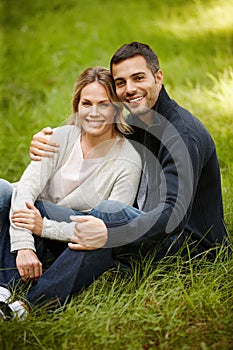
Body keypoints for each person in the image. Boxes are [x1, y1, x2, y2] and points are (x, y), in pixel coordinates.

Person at [1, 42, 231, 318]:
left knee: (107, 215)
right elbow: (97, 127)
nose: (129, 88)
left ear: (159, 77)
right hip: (142, 230)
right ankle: (7, 284)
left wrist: (110, 233)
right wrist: (43, 140)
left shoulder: (181, 135)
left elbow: (172, 218)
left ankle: (27, 306)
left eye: (138, 78)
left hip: (184, 249)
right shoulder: (141, 119)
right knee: (23, 198)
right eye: (121, 82)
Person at [0, 66, 142, 319]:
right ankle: (5, 288)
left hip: (75, 238)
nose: (94, 113)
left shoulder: (128, 161)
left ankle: (23, 306)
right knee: (5, 191)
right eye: (87, 103)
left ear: (117, 109)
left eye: (104, 104)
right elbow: (26, 189)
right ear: (77, 106)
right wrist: (24, 246)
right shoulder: (59, 137)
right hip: (33, 224)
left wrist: (45, 227)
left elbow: (108, 228)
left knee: (58, 216)